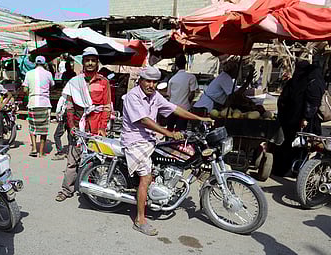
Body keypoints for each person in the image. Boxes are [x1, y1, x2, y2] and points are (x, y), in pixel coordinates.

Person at [121, 66, 213, 236]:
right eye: (148, 81)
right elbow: (144, 120)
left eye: (154, 82)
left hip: (150, 139)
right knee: (146, 176)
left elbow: (175, 108)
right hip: (135, 141)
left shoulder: (154, 96)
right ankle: (140, 220)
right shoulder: (132, 97)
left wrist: (199, 118)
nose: (151, 85)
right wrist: (169, 133)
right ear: (140, 81)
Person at [55, 47, 111, 202]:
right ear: (83, 62)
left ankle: (94, 189)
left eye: (93, 60)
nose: (90, 63)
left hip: (96, 128)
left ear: (97, 62)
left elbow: (107, 107)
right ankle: (67, 190)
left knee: (97, 160)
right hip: (78, 128)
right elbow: (70, 107)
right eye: (87, 60)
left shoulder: (104, 82)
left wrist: (102, 128)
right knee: (72, 160)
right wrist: (71, 126)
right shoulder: (75, 82)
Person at [273, 59, 326, 176]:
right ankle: (292, 170)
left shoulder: (311, 83)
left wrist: (305, 118)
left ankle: (298, 171)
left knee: (302, 145)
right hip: (297, 120)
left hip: (302, 121)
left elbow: (312, 102)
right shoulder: (308, 81)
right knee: (296, 144)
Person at [22, 55, 55, 157]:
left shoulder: (28, 73)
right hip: (44, 103)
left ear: (35, 63)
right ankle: (41, 153)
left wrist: (31, 94)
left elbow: (25, 89)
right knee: (43, 128)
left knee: (32, 127)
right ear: (44, 64)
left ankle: (34, 148)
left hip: (32, 103)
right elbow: (52, 86)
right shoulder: (48, 74)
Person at [166, 54, 198, 130]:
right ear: (186, 63)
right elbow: (192, 94)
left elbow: (169, 95)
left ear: (176, 65)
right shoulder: (191, 77)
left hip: (172, 108)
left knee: (169, 130)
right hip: (184, 109)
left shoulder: (172, 79)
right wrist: (188, 102)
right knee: (180, 131)